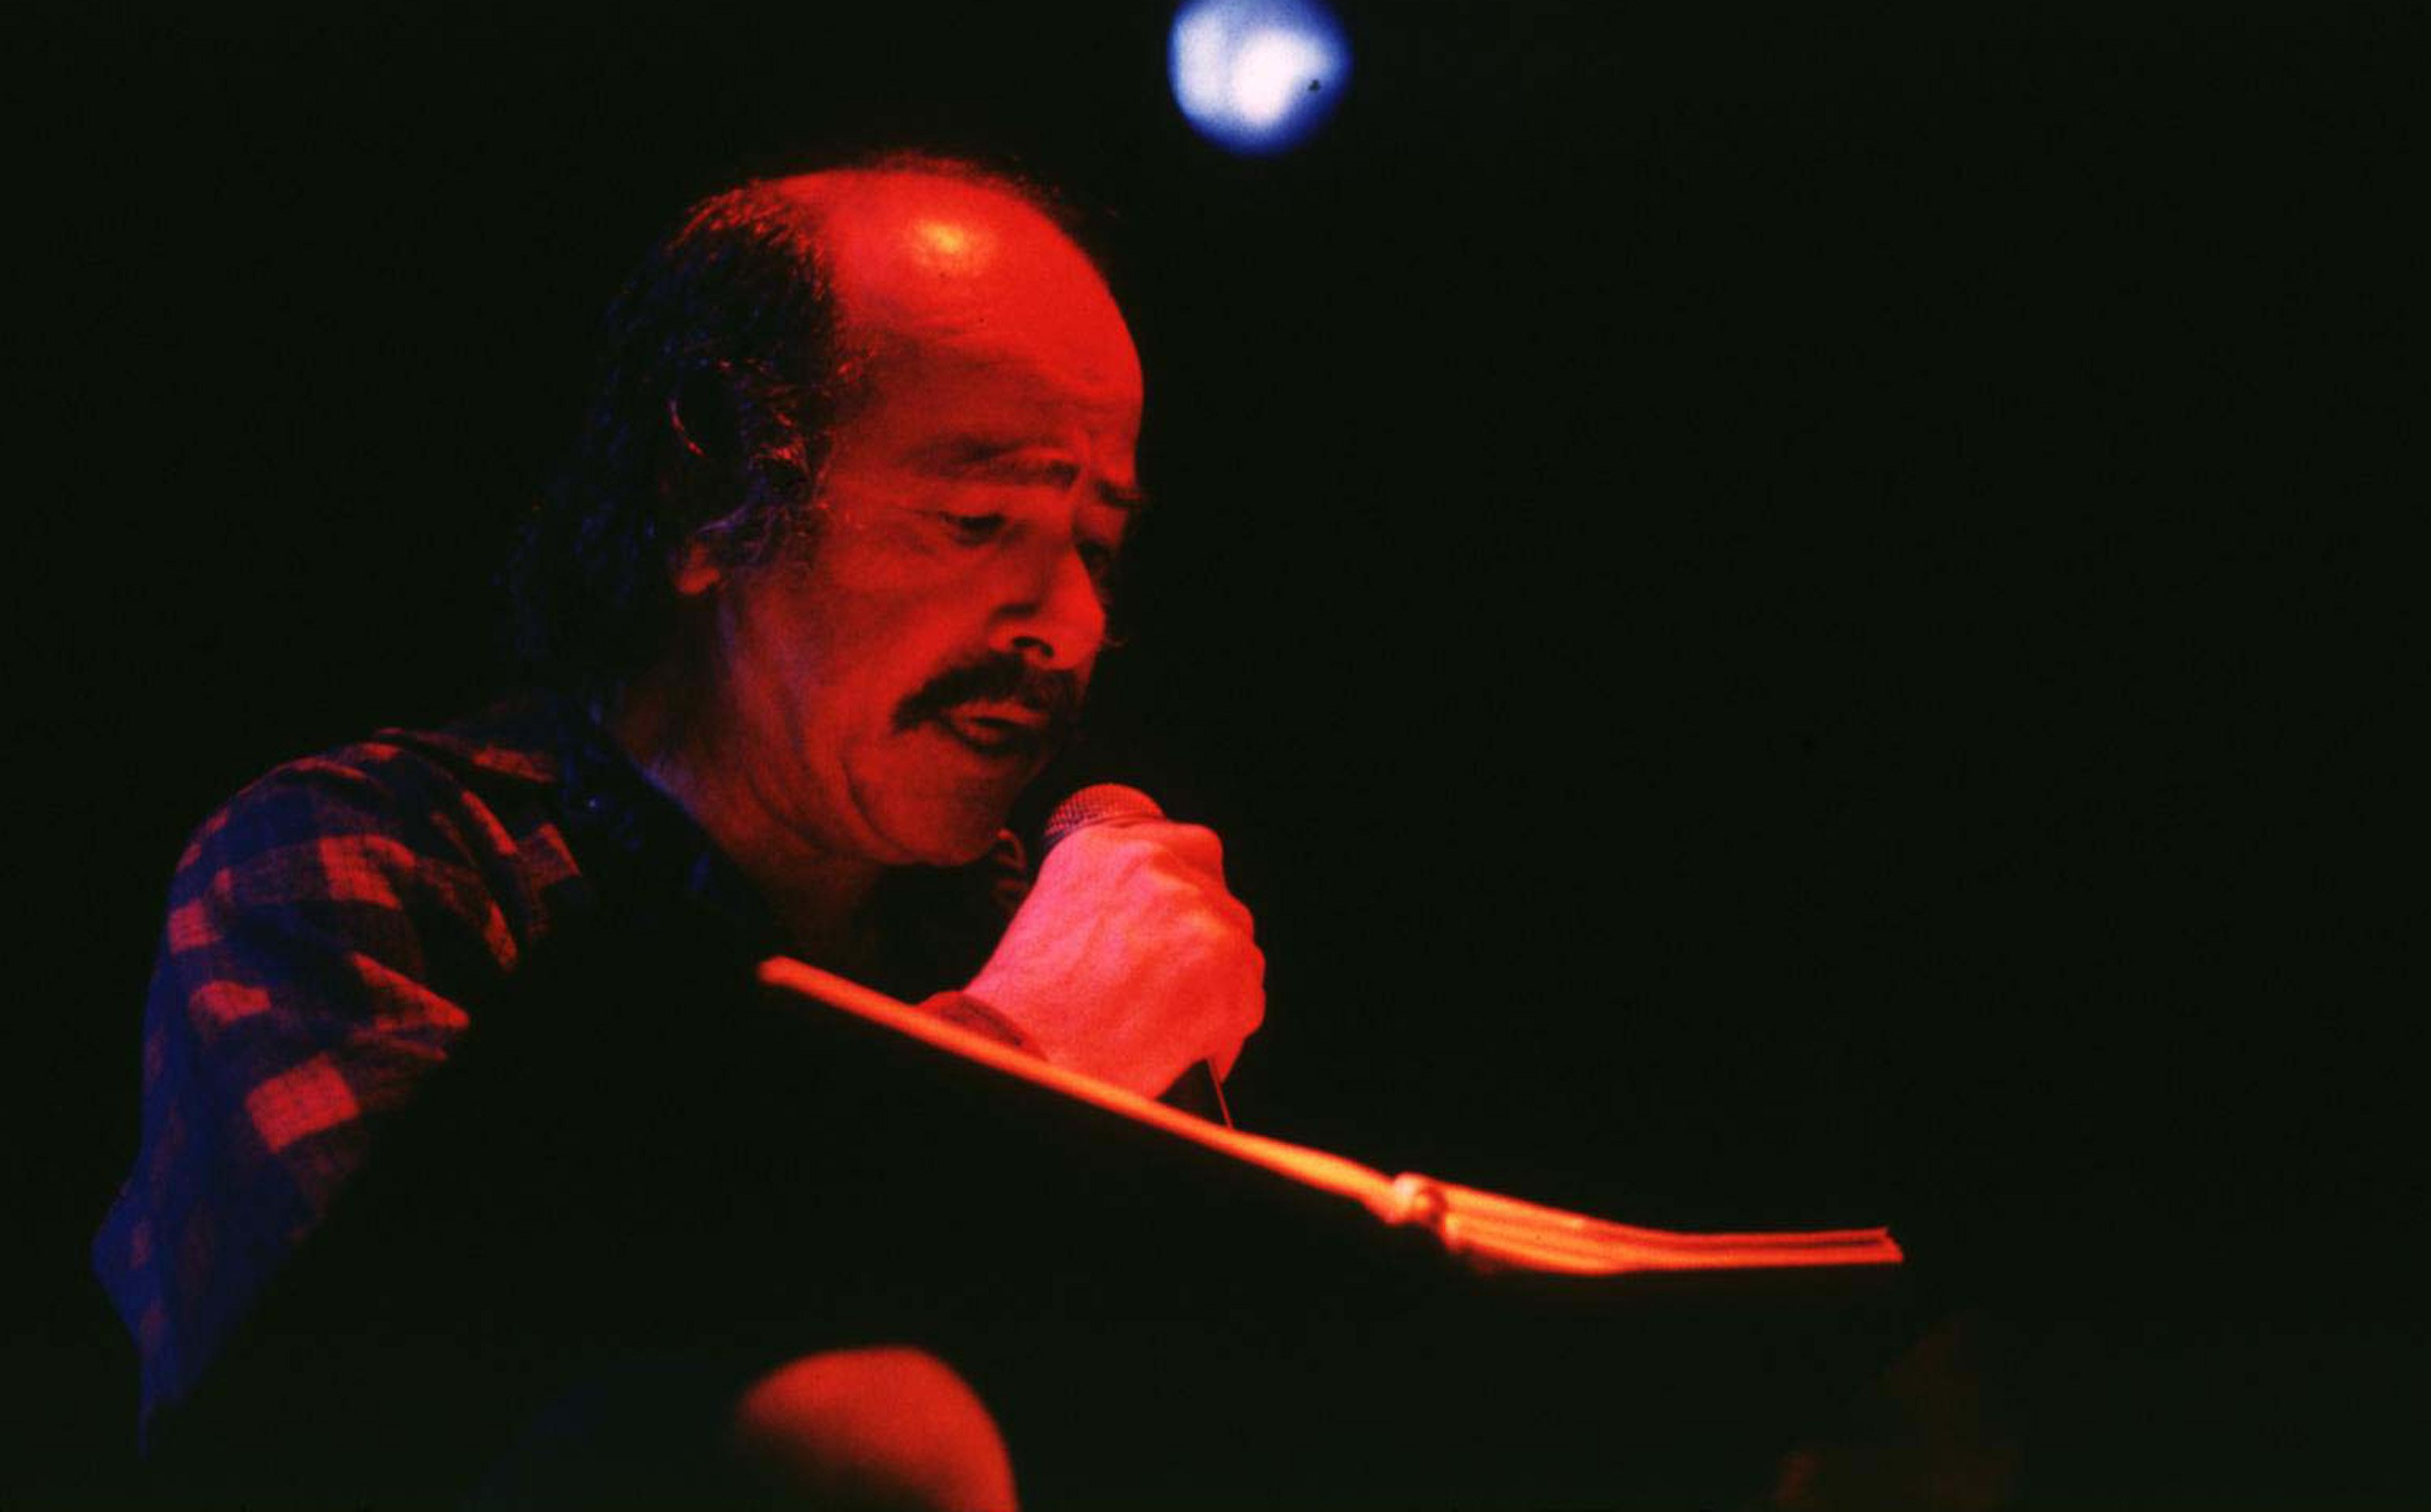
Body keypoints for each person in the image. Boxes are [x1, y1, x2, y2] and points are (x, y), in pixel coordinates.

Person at [95, 153, 1267, 1510]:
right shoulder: (360, 868)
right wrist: (1021, 1058)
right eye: (978, 519)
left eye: (1099, 546)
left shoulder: (1010, 922)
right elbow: (418, 1399)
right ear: (708, 495)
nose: (1064, 622)